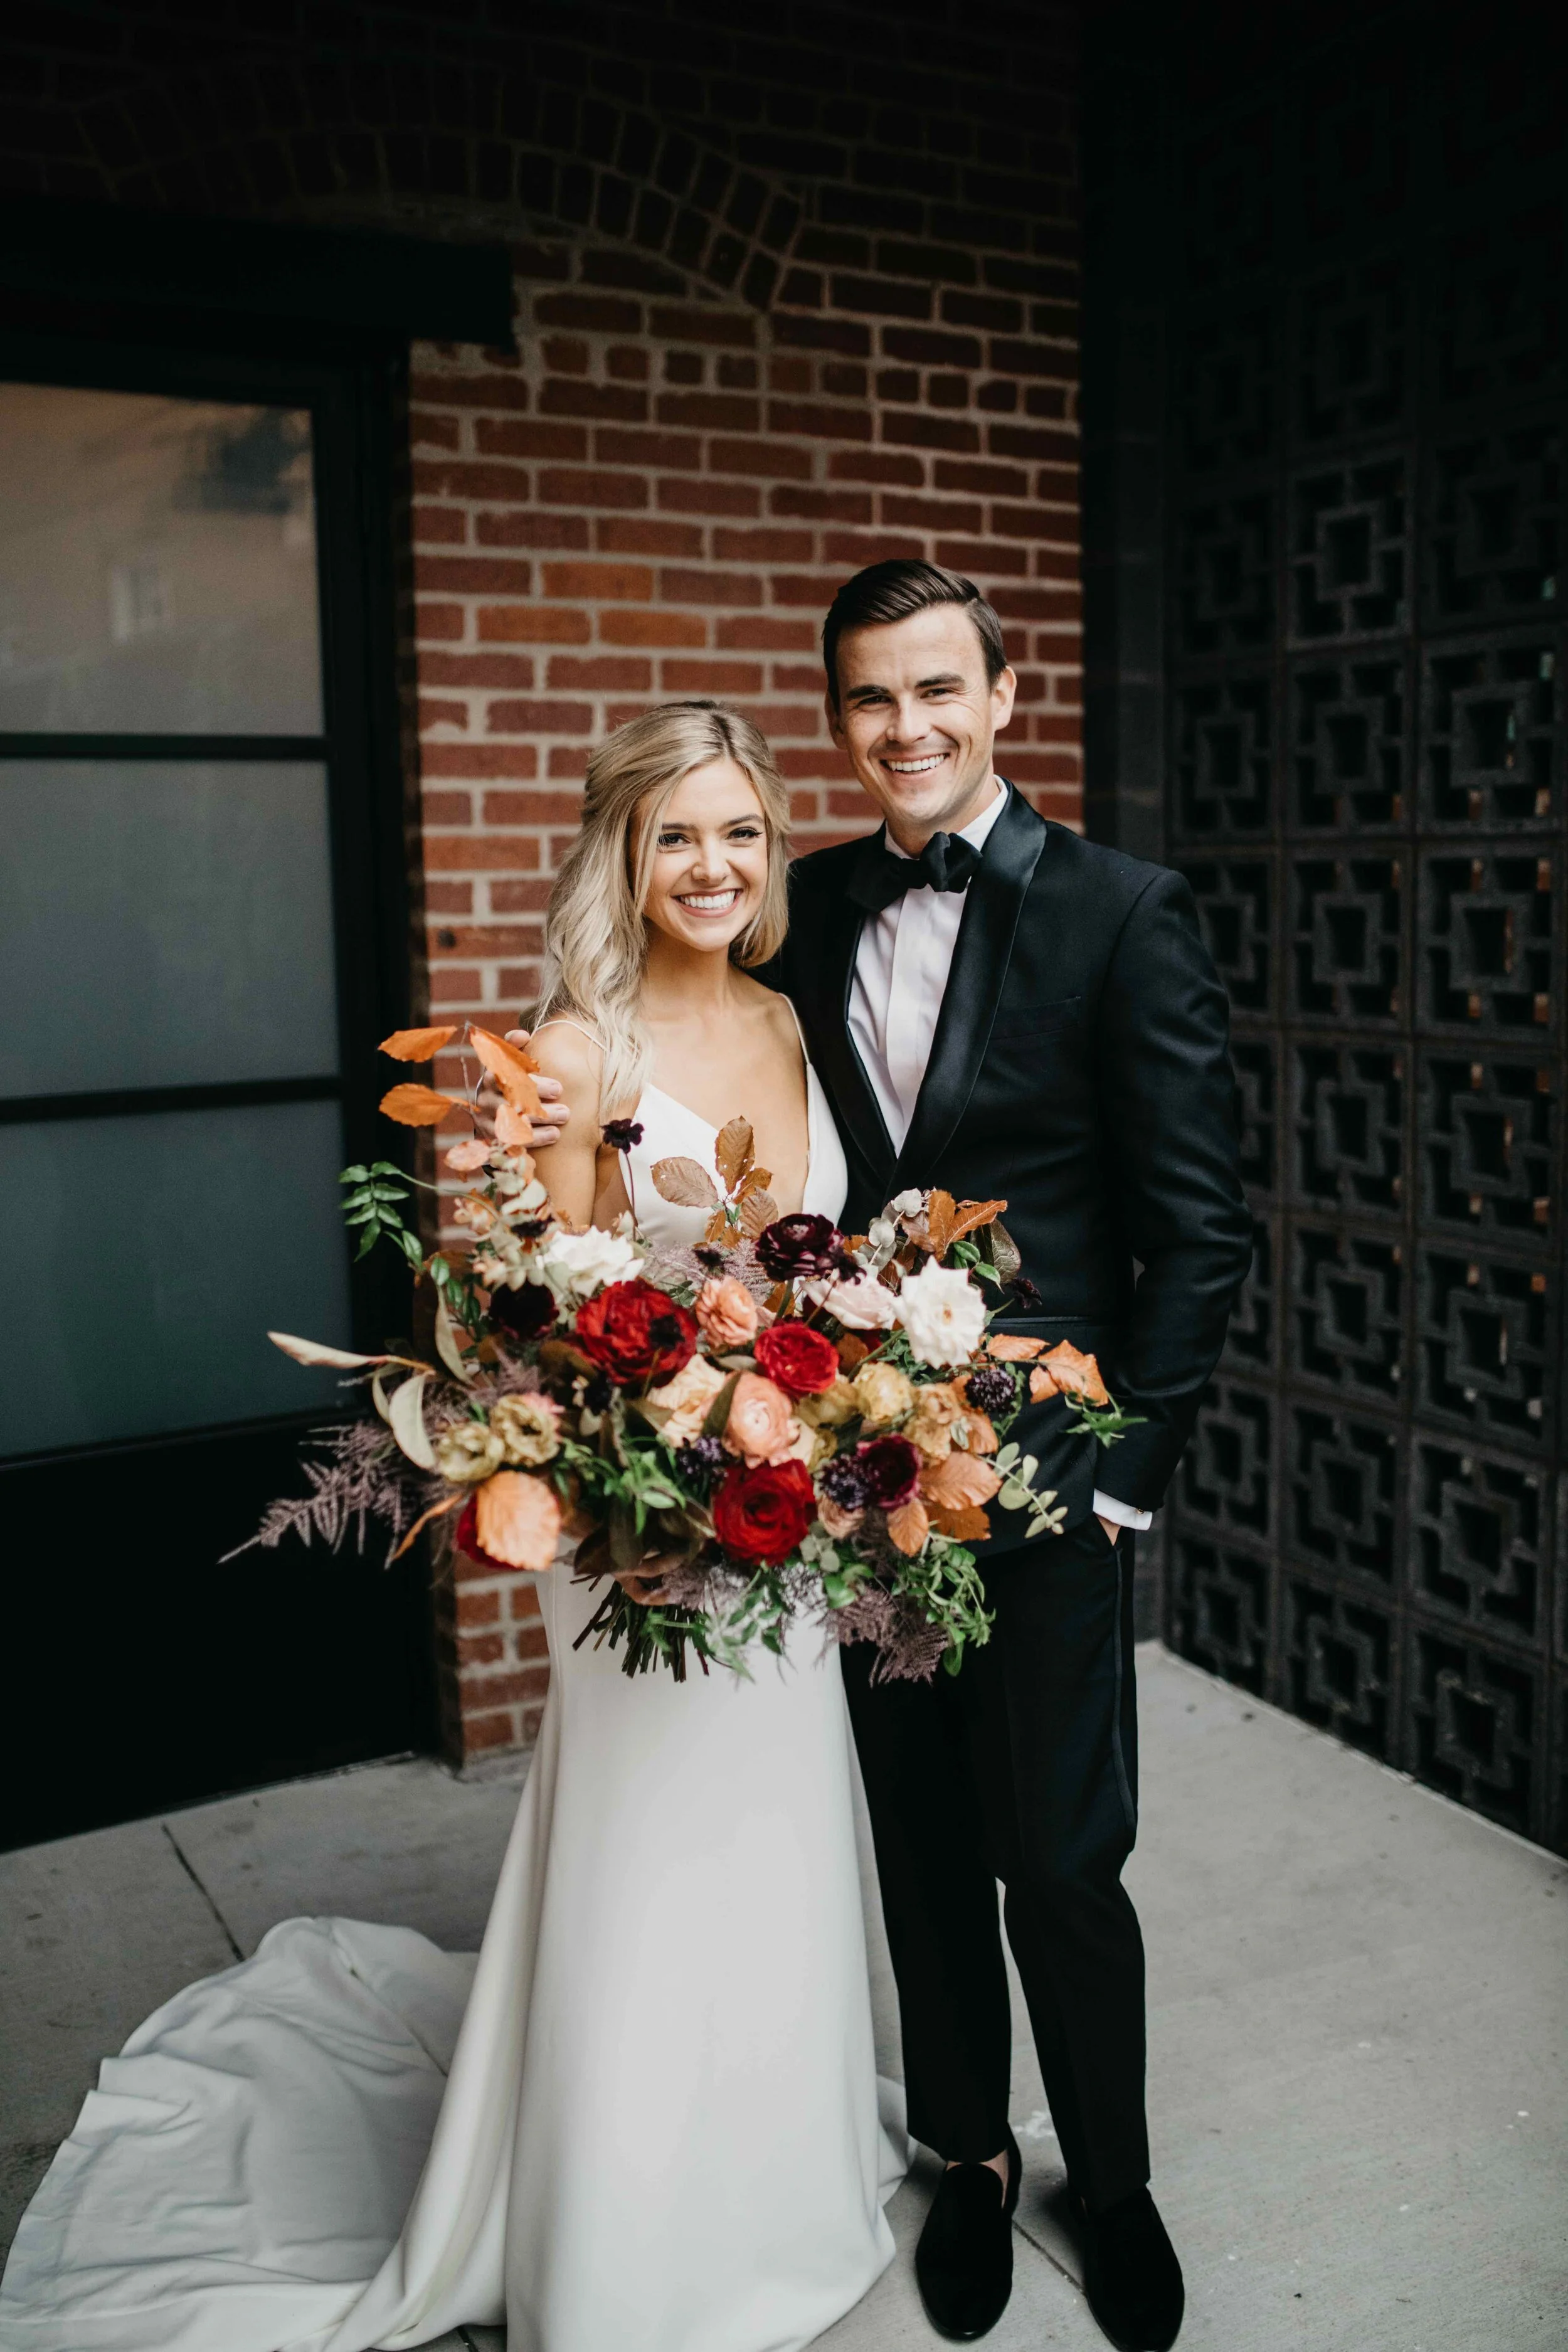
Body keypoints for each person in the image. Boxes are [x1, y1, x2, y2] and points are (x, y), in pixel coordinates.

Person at [0, 701, 906, 2352]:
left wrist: (849, 1386)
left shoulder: (790, 1018)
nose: (711, 864)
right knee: (649, 1851)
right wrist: (641, 1448)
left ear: (770, 853)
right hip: (638, 1532)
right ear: (622, 852)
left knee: (775, 1830)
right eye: (674, 834)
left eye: (739, 832)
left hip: (779, 1500)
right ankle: (627, 2251)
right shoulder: (576, 1047)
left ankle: (777, 2189)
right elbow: (524, 1317)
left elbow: (808, 1263)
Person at [755, 559, 1252, 2352]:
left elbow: (1199, 1228)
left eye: (936, 689)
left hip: (1050, 1479)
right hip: (857, 1478)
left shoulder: (1124, 911)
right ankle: (961, 2151)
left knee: (1055, 1852)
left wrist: (1126, 1471)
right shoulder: (796, 908)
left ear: (1003, 692)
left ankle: (1105, 2183)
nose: (906, 727)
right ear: (838, 717)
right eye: (871, 698)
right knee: (920, 1836)